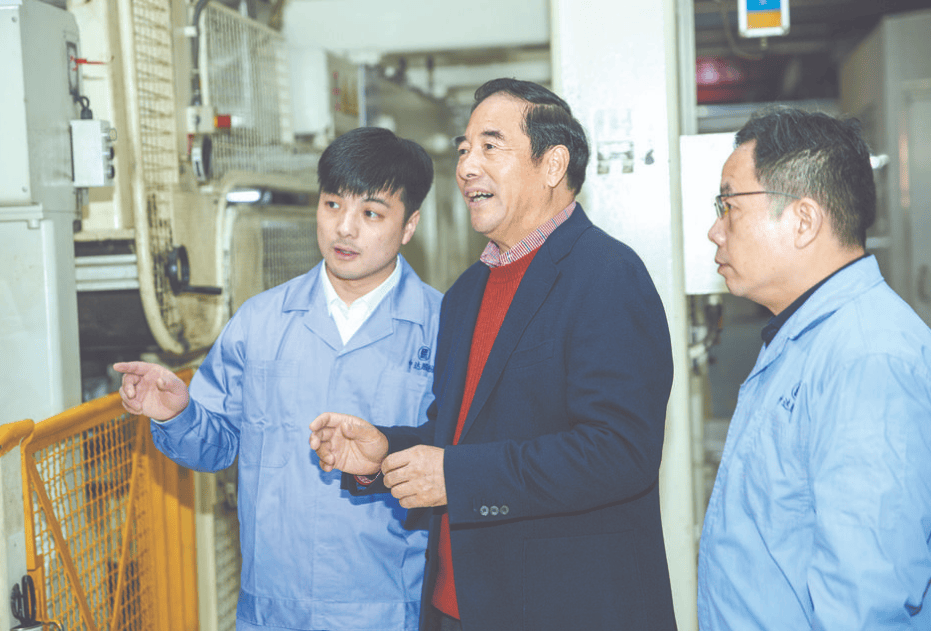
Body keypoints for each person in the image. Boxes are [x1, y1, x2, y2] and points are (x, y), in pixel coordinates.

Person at [309, 78, 678, 631]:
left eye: (489, 146)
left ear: (552, 165)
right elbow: (459, 435)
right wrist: (384, 453)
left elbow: (619, 451)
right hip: (458, 606)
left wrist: (458, 478)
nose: (466, 167)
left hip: (561, 610)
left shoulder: (606, 275)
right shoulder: (467, 293)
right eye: (463, 149)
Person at [114, 126, 442, 631]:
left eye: (371, 214)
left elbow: (457, 462)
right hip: (271, 608)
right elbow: (218, 445)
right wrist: (178, 414)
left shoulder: (442, 328)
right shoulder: (260, 321)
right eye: (332, 205)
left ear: (409, 225)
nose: (344, 228)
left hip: (388, 607)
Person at [698, 107, 931, 629]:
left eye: (729, 206)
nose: (715, 231)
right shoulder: (806, 335)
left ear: (803, 221)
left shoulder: (869, 358)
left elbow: (865, 601)